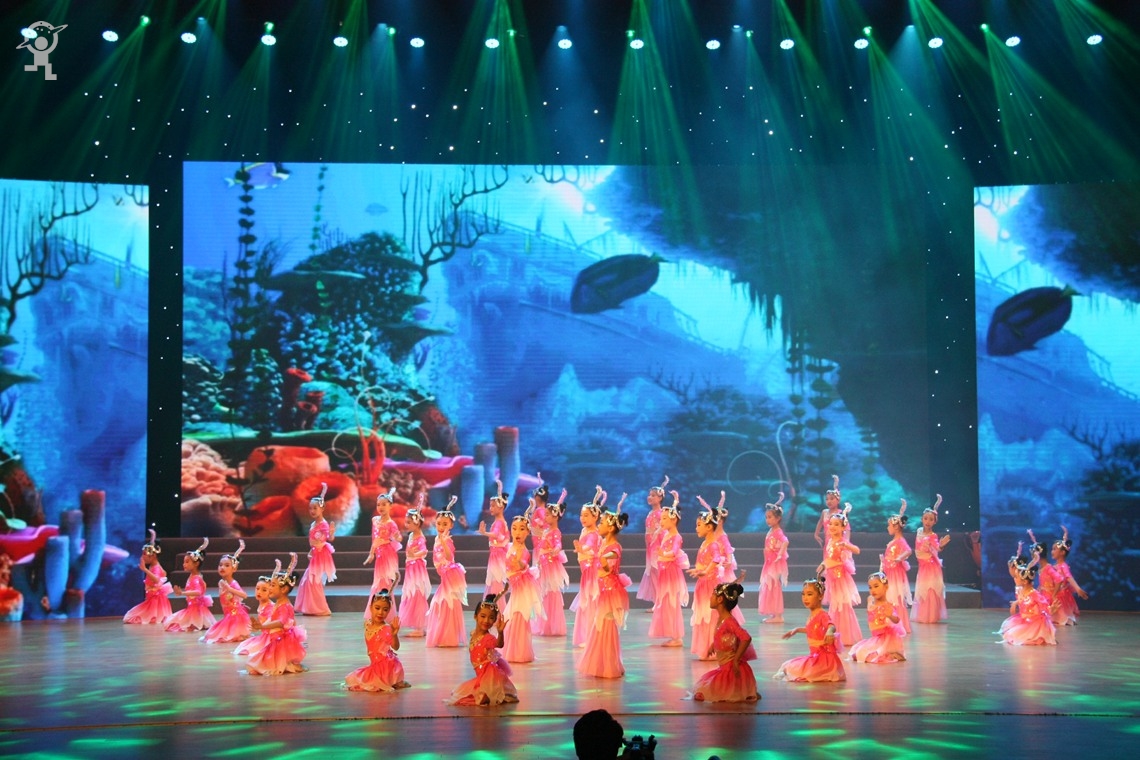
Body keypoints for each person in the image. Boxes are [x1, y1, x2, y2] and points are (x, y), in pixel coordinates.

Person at [578, 495, 632, 678]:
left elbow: (609, 565)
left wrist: (602, 562)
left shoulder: (614, 547)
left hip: (611, 592)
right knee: (600, 624)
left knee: (606, 625)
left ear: (610, 528)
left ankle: (610, 666)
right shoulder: (603, 544)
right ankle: (603, 664)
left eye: (601, 522)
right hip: (603, 589)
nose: (599, 525)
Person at [687, 582, 759, 702]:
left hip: (731, 670)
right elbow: (723, 637)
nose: (710, 597)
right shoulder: (721, 618)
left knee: (708, 692)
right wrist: (713, 645)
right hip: (724, 667)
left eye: (712, 595)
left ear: (720, 599)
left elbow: (746, 638)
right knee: (704, 690)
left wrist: (736, 660)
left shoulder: (729, 621)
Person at [446, 593, 519, 705]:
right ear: (475, 616)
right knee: (467, 694)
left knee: (481, 698)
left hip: (490, 675)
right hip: (481, 676)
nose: (486, 621)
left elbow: (499, 644)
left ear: (494, 621)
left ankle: (493, 692)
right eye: (483, 616)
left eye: (491, 618)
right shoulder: (473, 634)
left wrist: (500, 632)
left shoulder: (488, 638)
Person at [245, 553, 308, 674]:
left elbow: (281, 622)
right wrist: (261, 626)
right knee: (258, 664)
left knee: (269, 664)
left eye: (272, 585)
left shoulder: (285, 606)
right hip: (275, 638)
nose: (269, 588)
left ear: (283, 589)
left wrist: (262, 626)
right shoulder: (278, 603)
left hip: (281, 641)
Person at [774, 577, 845, 682]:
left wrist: (830, 631)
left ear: (820, 596)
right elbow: (813, 630)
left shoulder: (822, 615)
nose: (805, 598)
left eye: (809, 594)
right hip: (814, 656)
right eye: (803, 594)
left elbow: (831, 626)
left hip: (823, 660)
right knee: (789, 665)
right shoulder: (812, 614)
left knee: (804, 672)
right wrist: (797, 629)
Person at [344, 588, 411, 692]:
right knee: (355, 679)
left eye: (385, 610)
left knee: (370, 683)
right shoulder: (367, 624)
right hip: (375, 664)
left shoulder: (386, 629)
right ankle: (393, 681)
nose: (381, 612)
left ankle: (392, 679)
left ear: (389, 611)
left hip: (386, 666)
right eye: (377, 608)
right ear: (371, 607)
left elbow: (396, 647)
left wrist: (394, 634)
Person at [688, 501, 730, 660]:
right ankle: (705, 648)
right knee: (703, 616)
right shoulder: (705, 543)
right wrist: (699, 570)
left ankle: (714, 649)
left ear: (709, 527)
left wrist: (705, 571)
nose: (696, 528)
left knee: (711, 616)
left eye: (699, 525)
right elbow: (704, 562)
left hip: (711, 585)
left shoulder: (713, 544)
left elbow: (717, 559)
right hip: (703, 584)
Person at [816, 505, 862, 647]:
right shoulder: (830, 541)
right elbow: (829, 557)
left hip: (841, 579)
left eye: (836, 524)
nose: (832, 527)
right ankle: (833, 634)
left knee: (842, 605)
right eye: (831, 524)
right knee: (835, 605)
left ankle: (845, 636)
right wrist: (823, 564)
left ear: (843, 527)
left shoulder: (842, 542)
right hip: (831, 578)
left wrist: (846, 546)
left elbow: (857, 550)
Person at [648, 490, 689, 647]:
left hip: (671, 574)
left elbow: (674, 552)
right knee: (665, 602)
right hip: (664, 573)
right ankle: (672, 634)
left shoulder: (676, 537)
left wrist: (663, 553)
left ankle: (677, 636)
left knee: (672, 602)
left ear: (673, 520)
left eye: (664, 519)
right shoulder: (666, 535)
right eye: (661, 518)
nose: (661, 521)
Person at [426, 497, 468, 647]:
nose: (441, 526)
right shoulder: (437, 539)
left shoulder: (447, 540)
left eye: (445, 524)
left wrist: (444, 543)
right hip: (444, 575)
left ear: (451, 525)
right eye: (439, 523)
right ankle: (445, 636)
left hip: (450, 575)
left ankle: (449, 638)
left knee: (447, 602)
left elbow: (449, 557)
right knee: (442, 603)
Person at [502, 511, 543, 663]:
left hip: (521, 588)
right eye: (514, 528)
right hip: (515, 588)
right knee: (512, 616)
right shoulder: (510, 546)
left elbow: (523, 564)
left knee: (519, 615)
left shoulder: (524, 551)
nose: (517, 532)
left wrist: (520, 563)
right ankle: (512, 649)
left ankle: (519, 652)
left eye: (521, 529)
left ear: (527, 532)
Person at [999, 543, 1057, 646]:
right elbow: (1022, 601)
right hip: (1025, 619)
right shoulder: (1023, 592)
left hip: (1034, 622)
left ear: (1025, 581)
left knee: (1020, 636)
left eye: (1017, 577)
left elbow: (1043, 604)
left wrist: (1050, 609)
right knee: (1010, 634)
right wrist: (1016, 603)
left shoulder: (1034, 594)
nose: (1015, 579)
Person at [531, 488, 569, 637]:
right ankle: (544, 624)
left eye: (547, 515)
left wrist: (556, 549)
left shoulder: (555, 532)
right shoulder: (546, 531)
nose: (545, 517)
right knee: (544, 593)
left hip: (551, 567)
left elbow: (558, 543)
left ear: (555, 517)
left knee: (551, 592)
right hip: (543, 565)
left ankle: (552, 625)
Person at [295, 483, 336, 616]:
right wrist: (311, 551)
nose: (312, 511)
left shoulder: (323, 524)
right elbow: (314, 541)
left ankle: (322, 609)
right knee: (307, 581)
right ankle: (308, 607)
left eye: (315, 508)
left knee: (314, 581)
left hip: (321, 556)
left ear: (322, 508)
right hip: (315, 555)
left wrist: (331, 533)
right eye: (310, 508)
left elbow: (329, 538)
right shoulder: (314, 524)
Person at [848, 572, 906, 663]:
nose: (873, 590)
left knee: (865, 654)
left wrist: (890, 616)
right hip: (876, 637)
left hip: (886, 639)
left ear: (886, 587)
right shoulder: (870, 599)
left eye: (876, 586)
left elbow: (896, 620)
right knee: (857, 653)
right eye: (870, 587)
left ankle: (891, 653)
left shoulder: (887, 604)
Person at [571, 487, 604, 648]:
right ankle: (589, 635)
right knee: (586, 603)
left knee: (591, 603)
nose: (582, 518)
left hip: (592, 573)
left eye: (586, 515)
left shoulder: (593, 534)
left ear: (595, 517)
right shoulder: (585, 530)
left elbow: (589, 547)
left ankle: (592, 636)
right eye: (581, 515)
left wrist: (581, 549)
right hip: (586, 572)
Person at [201, 540, 252, 643]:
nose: (222, 567)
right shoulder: (221, 582)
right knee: (211, 634)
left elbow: (244, 595)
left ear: (234, 569)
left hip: (236, 616)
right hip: (228, 615)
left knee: (222, 635)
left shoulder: (233, 583)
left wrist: (230, 589)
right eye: (220, 565)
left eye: (227, 565)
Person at [1039, 525, 1088, 626]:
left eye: (1054, 549)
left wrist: (1077, 588)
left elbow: (1069, 577)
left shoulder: (1063, 566)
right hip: (1053, 594)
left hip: (1060, 596)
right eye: (1052, 549)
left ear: (1062, 552)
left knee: (1061, 617)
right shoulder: (1054, 566)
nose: (1052, 551)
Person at [164, 538, 216, 632]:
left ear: (196, 563)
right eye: (184, 562)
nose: (184, 564)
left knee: (174, 624)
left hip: (195, 610)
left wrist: (182, 593)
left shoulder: (196, 578)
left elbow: (198, 592)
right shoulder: (194, 576)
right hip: (193, 608)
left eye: (187, 562)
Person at [123, 529, 173, 625]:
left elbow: (156, 579)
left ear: (152, 556)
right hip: (152, 599)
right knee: (131, 616)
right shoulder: (153, 564)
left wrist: (144, 569)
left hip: (155, 601)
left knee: (131, 617)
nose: (143, 557)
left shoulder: (155, 568)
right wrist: (152, 538)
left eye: (145, 555)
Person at [914, 495, 951, 624]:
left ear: (935, 522)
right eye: (926, 518)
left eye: (931, 519)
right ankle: (923, 614)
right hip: (922, 565)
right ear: (921, 519)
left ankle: (930, 615)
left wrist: (941, 545)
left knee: (929, 589)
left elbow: (937, 548)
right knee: (922, 589)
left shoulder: (932, 535)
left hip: (930, 566)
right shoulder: (919, 531)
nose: (928, 521)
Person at [398, 496, 432, 637]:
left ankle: (420, 626)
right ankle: (418, 626)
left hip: (417, 569)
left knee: (417, 593)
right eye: (406, 521)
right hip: (411, 567)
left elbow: (424, 551)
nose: (406, 524)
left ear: (417, 523)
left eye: (409, 522)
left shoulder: (420, 537)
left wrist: (415, 554)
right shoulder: (412, 535)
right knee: (411, 593)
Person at [880, 500, 913, 633]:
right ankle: (893, 623)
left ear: (896, 527)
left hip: (896, 574)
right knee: (891, 597)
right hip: (890, 573)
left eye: (889, 525)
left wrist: (900, 558)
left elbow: (908, 550)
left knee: (897, 597)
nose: (887, 527)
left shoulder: (900, 541)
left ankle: (900, 624)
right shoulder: (893, 541)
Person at [757, 493, 790, 624]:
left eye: (770, 517)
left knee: (774, 586)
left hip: (774, 564)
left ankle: (778, 615)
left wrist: (780, 554)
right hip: (769, 563)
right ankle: (774, 613)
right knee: (769, 586)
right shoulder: (771, 531)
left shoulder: (778, 532)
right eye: (766, 517)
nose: (767, 520)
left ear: (778, 518)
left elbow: (785, 541)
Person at [478, 480, 510, 610]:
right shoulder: (499, 521)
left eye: (493, 506)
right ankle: (496, 609)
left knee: (496, 581)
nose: (490, 508)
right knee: (495, 581)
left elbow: (496, 534)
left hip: (498, 556)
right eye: (490, 506)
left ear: (501, 507)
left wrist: (484, 533)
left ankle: (497, 610)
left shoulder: (499, 522)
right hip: (496, 554)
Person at [637, 476, 669, 606]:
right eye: (649, 495)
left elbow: (664, 531)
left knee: (658, 572)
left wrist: (660, 547)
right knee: (652, 574)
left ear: (660, 498)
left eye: (653, 495)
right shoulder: (650, 513)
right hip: (650, 547)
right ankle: (657, 601)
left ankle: (661, 602)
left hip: (657, 547)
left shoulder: (661, 514)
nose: (650, 497)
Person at [365, 488, 402, 595]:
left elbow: (399, 538)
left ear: (390, 506)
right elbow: (375, 538)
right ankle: (379, 602)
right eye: (378, 505)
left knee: (384, 579)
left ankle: (385, 602)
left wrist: (396, 537)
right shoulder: (375, 520)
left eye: (384, 504)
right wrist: (372, 553)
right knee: (378, 580)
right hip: (379, 554)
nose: (380, 507)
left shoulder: (391, 523)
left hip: (388, 554)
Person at [233, 575, 273, 657]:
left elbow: (272, 622)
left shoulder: (270, 606)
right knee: (244, 647)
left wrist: (261, 626)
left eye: (264, 590)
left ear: (271, 592)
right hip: (264, 635)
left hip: (271, 637)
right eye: (257, 589)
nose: (259, 592)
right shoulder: (262, 604)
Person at [813, 475, 845, 552]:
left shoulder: (840, 513)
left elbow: (846, 529)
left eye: (831, 499)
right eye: (827, 499)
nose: (829, 501)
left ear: (838, 500)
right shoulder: (824, 512)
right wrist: (816, 534)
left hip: (838, 542)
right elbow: (820, 522)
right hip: (827, 542)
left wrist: (845, 542)